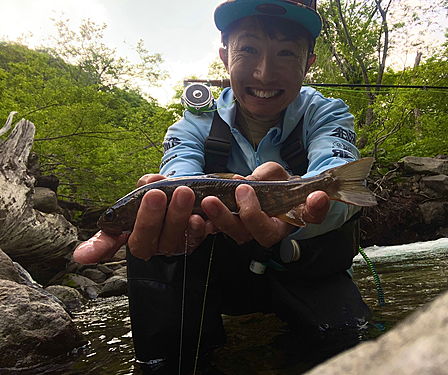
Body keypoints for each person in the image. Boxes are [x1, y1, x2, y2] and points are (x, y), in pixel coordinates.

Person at [74, 0, 371, 373]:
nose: (264, 73)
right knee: (153, 231)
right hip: (219, 272)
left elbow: (339, 169)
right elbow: (175, 178)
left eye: (285, 53)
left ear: (308, 64)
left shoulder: (327, 113)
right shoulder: (192, 126)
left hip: (303, 265)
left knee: (346, 347)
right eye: (248, 49)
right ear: (225, 56)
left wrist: (301, 208)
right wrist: (167, 213)